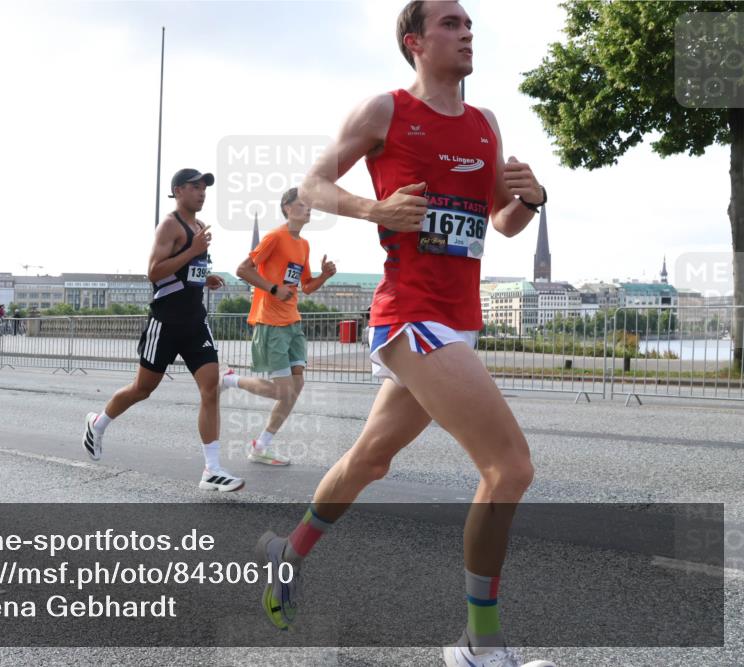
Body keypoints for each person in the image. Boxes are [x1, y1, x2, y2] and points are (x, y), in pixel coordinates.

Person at [253, 3, 554, 667]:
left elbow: (499, 224)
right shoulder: (384, 112)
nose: (468, 31)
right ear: (415, 42)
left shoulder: (485, 125)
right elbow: (312, 184)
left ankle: (288, 550)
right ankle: (480, 645)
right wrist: (375, 209)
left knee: (369, 459)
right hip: (409, 315)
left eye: (470, 23)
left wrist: (529, 200)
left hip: (459, 318)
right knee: (510, 466)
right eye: (452, 23)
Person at [83, 168, 243, 492]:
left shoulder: (198, 227)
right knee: (142, 388)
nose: (201, 193)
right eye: (195, 187)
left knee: (210, 388)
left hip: (195, 322)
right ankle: (98, 424)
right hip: (166, 323)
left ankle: (212, 469)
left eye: (204, 189)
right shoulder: (170, 225)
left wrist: (204, 276)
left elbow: (186, 269)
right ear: (178, 190)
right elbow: (154, 272)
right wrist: (193, 251)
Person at [221, 187, 336, 466]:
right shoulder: (274, 237)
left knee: (296, 388)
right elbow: (243, 269)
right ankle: (229, 379)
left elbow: (305, 287)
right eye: (302, 204)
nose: (308, 209)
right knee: (282, 391)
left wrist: (324, 276)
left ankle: (261, 445)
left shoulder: (303, 244)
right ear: (287, 207)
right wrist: (273, 288)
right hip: (271, 322)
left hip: (293, 322)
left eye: (310, 205)